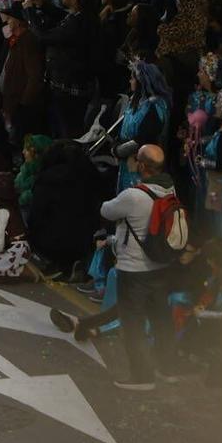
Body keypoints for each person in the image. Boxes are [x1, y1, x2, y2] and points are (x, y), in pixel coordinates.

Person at [52, 143, 177, 389]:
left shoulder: (133, 195)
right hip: (160, 266)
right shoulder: (171, 190)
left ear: (141, 165)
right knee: (161, 319)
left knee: (133, 324)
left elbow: (106, 211)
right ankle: (167, 368)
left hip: (134, 269)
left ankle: (142, 377)